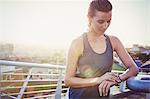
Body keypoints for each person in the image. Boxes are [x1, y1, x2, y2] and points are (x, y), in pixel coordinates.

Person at [64, 0, 139, 99]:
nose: (105, 26)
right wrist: (99, 80)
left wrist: (116, 80)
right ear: (89, 18)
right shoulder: (78, 43)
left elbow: (134, 68)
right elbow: (68, 80)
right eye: (100, 21)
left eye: (109, 21)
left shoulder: (114, 41)